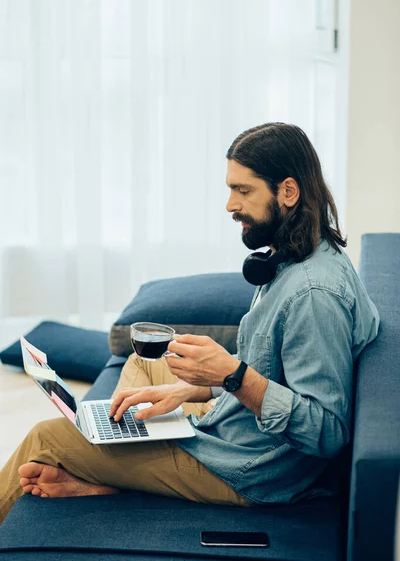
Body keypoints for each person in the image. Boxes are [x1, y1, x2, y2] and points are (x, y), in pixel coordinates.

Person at [0, 122, 380, 523]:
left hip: (250, 468)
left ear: (288, 191)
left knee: (46, 438)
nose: (230, 205)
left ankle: (113, 468)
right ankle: (116, 464)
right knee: (147, 362)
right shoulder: (292, 256)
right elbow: (272, 364)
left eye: (243, 191)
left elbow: (326, 431)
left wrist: (232, 375)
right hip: (238, 428)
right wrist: (189, 388)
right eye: (230, 189)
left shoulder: (313, 295)